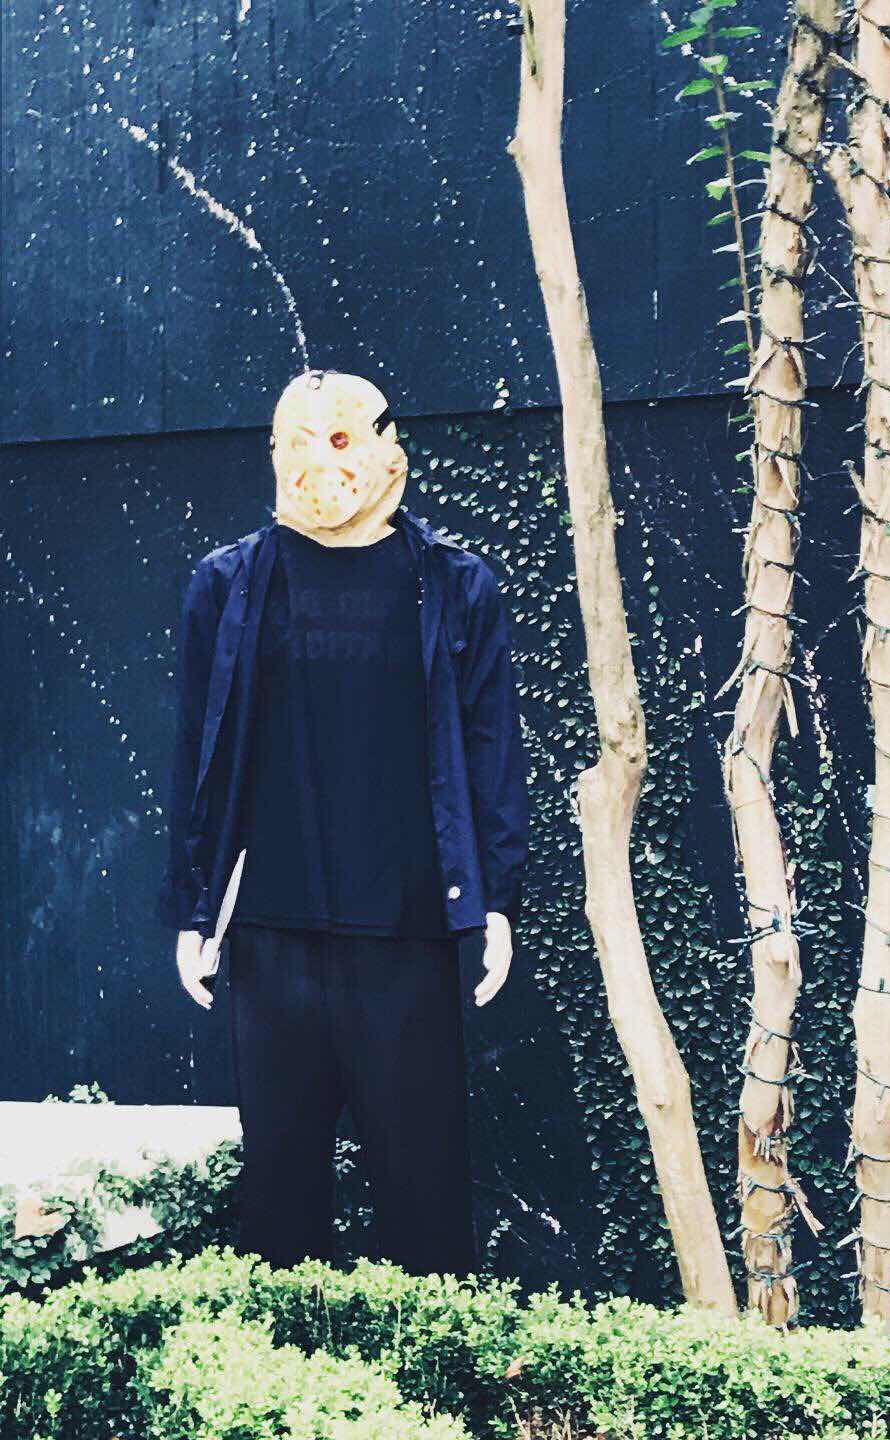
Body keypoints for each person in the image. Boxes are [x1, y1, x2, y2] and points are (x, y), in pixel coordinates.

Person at [154, 368, 528, 1276]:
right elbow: (199, 755)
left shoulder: (454, 587)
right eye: (296, 439)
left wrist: (496, 900)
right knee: (279, 1208)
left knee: (426, 1200)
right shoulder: (228, 585)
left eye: (341, 437)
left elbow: (490, 747)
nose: (320, 461)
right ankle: (291, 1365)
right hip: (272, 937)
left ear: (389, 447)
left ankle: (433, 1361)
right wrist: (196, 908)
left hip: (408, 934)